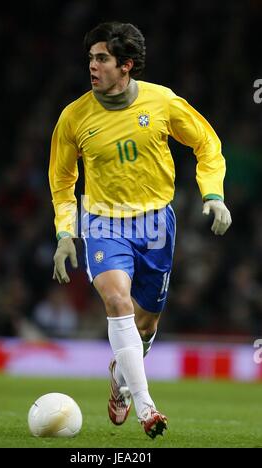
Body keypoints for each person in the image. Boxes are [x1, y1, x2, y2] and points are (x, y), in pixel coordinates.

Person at [49, 21, 232, 439]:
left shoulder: (163, 102)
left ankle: (123, 376)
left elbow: (206, 144)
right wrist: (64, 235)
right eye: (91, 58)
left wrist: (213, 194)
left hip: (154, 224)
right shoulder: (74, 117)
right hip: (102, 221)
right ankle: (147, 408)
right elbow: (62, 183)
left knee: (145, 326)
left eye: (101, 59)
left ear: (126, 65)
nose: (91, 66)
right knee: (117, 302)